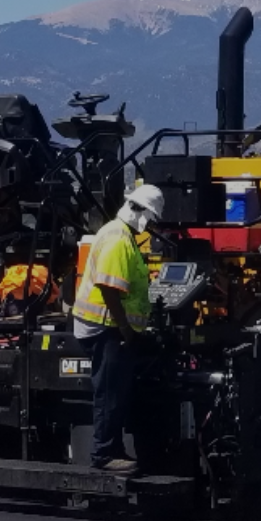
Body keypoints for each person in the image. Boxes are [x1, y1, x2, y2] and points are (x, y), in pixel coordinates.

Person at [71, 185, 164, 474]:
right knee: (109, 391)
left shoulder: (122, 235)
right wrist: (125, 328)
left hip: (110, 327)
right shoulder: (118, 239)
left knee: (117, 390)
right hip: (105, 328)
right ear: (143, 214)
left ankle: (113, 449)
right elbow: (109, 289)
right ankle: (103, 453)